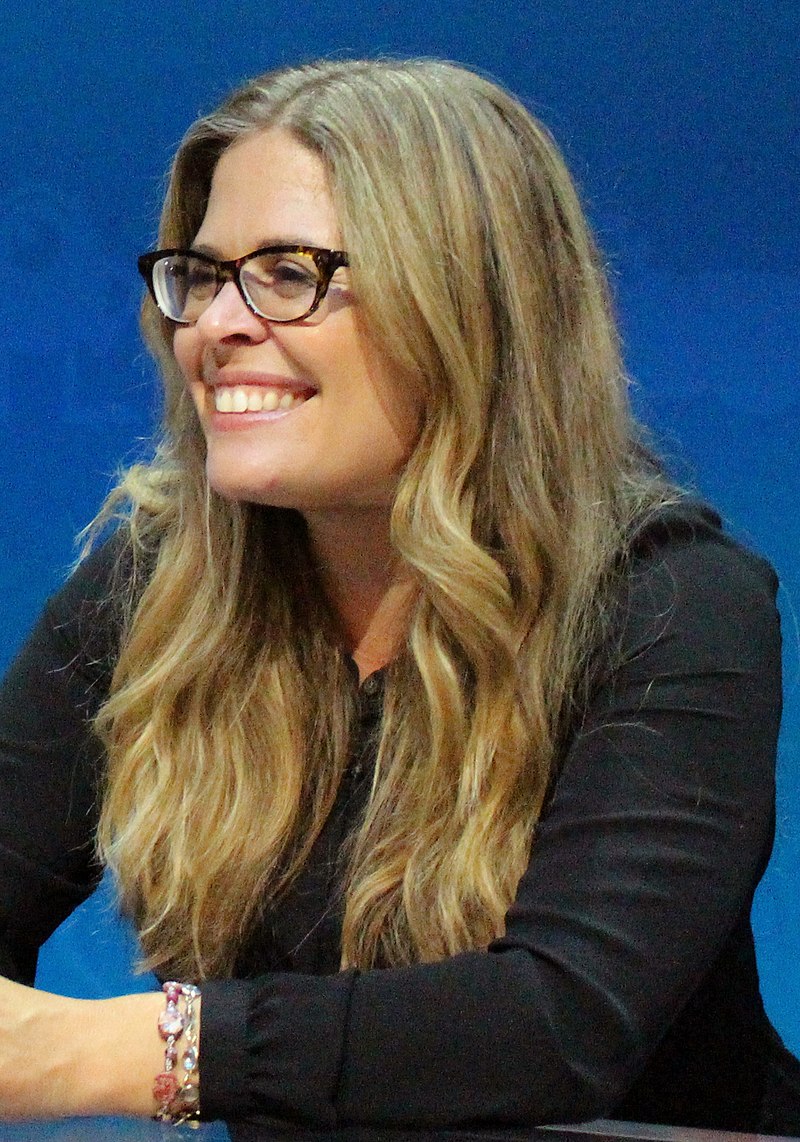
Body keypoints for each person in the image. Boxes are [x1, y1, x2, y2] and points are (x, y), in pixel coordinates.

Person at [0, 56, 797, 1137]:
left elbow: (557, 1024)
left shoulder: (671, 602)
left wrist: (123, 1049)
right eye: (202, 273)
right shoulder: (159, 583)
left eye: (289, 273)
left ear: (469, 306)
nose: (215, 324)